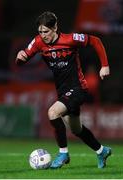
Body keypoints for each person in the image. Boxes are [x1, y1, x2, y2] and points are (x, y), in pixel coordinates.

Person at [15, 11, 111, 169]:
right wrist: (20, 57)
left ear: (55, 28)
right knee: (76, 129)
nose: (42, 35)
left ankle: (63, 154)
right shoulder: (38, 42)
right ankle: (102, 151)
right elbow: (23, 58)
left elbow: (96, 41)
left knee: (53, 113)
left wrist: (105, 65)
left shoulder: (70, 39)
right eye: (40, 31)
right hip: (62, 91)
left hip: (78, 88)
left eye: (45, 31)